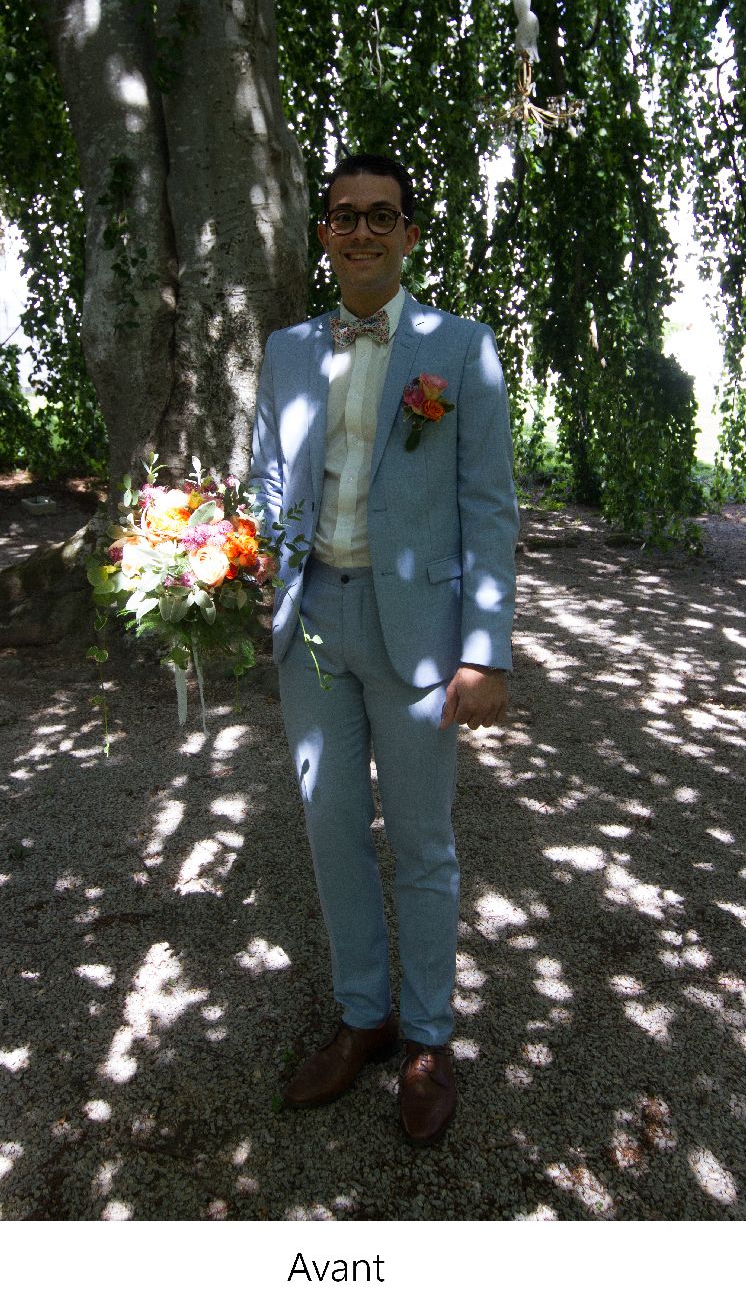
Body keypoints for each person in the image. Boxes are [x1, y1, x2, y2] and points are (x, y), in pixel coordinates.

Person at [248, 152, 520, 1146]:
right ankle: (364, 1016)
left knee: (421, 838)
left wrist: (485, 651)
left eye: (381, 216)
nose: (360, 231)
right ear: (324, 233)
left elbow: (489, 508)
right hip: (313, 621)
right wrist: (233, 562)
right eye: (343, 217)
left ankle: (430, 1037)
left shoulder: (462, 349)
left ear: (409, 233)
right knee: (330, 829)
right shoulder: (285, 351)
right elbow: (269, 479)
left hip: (420, 632)